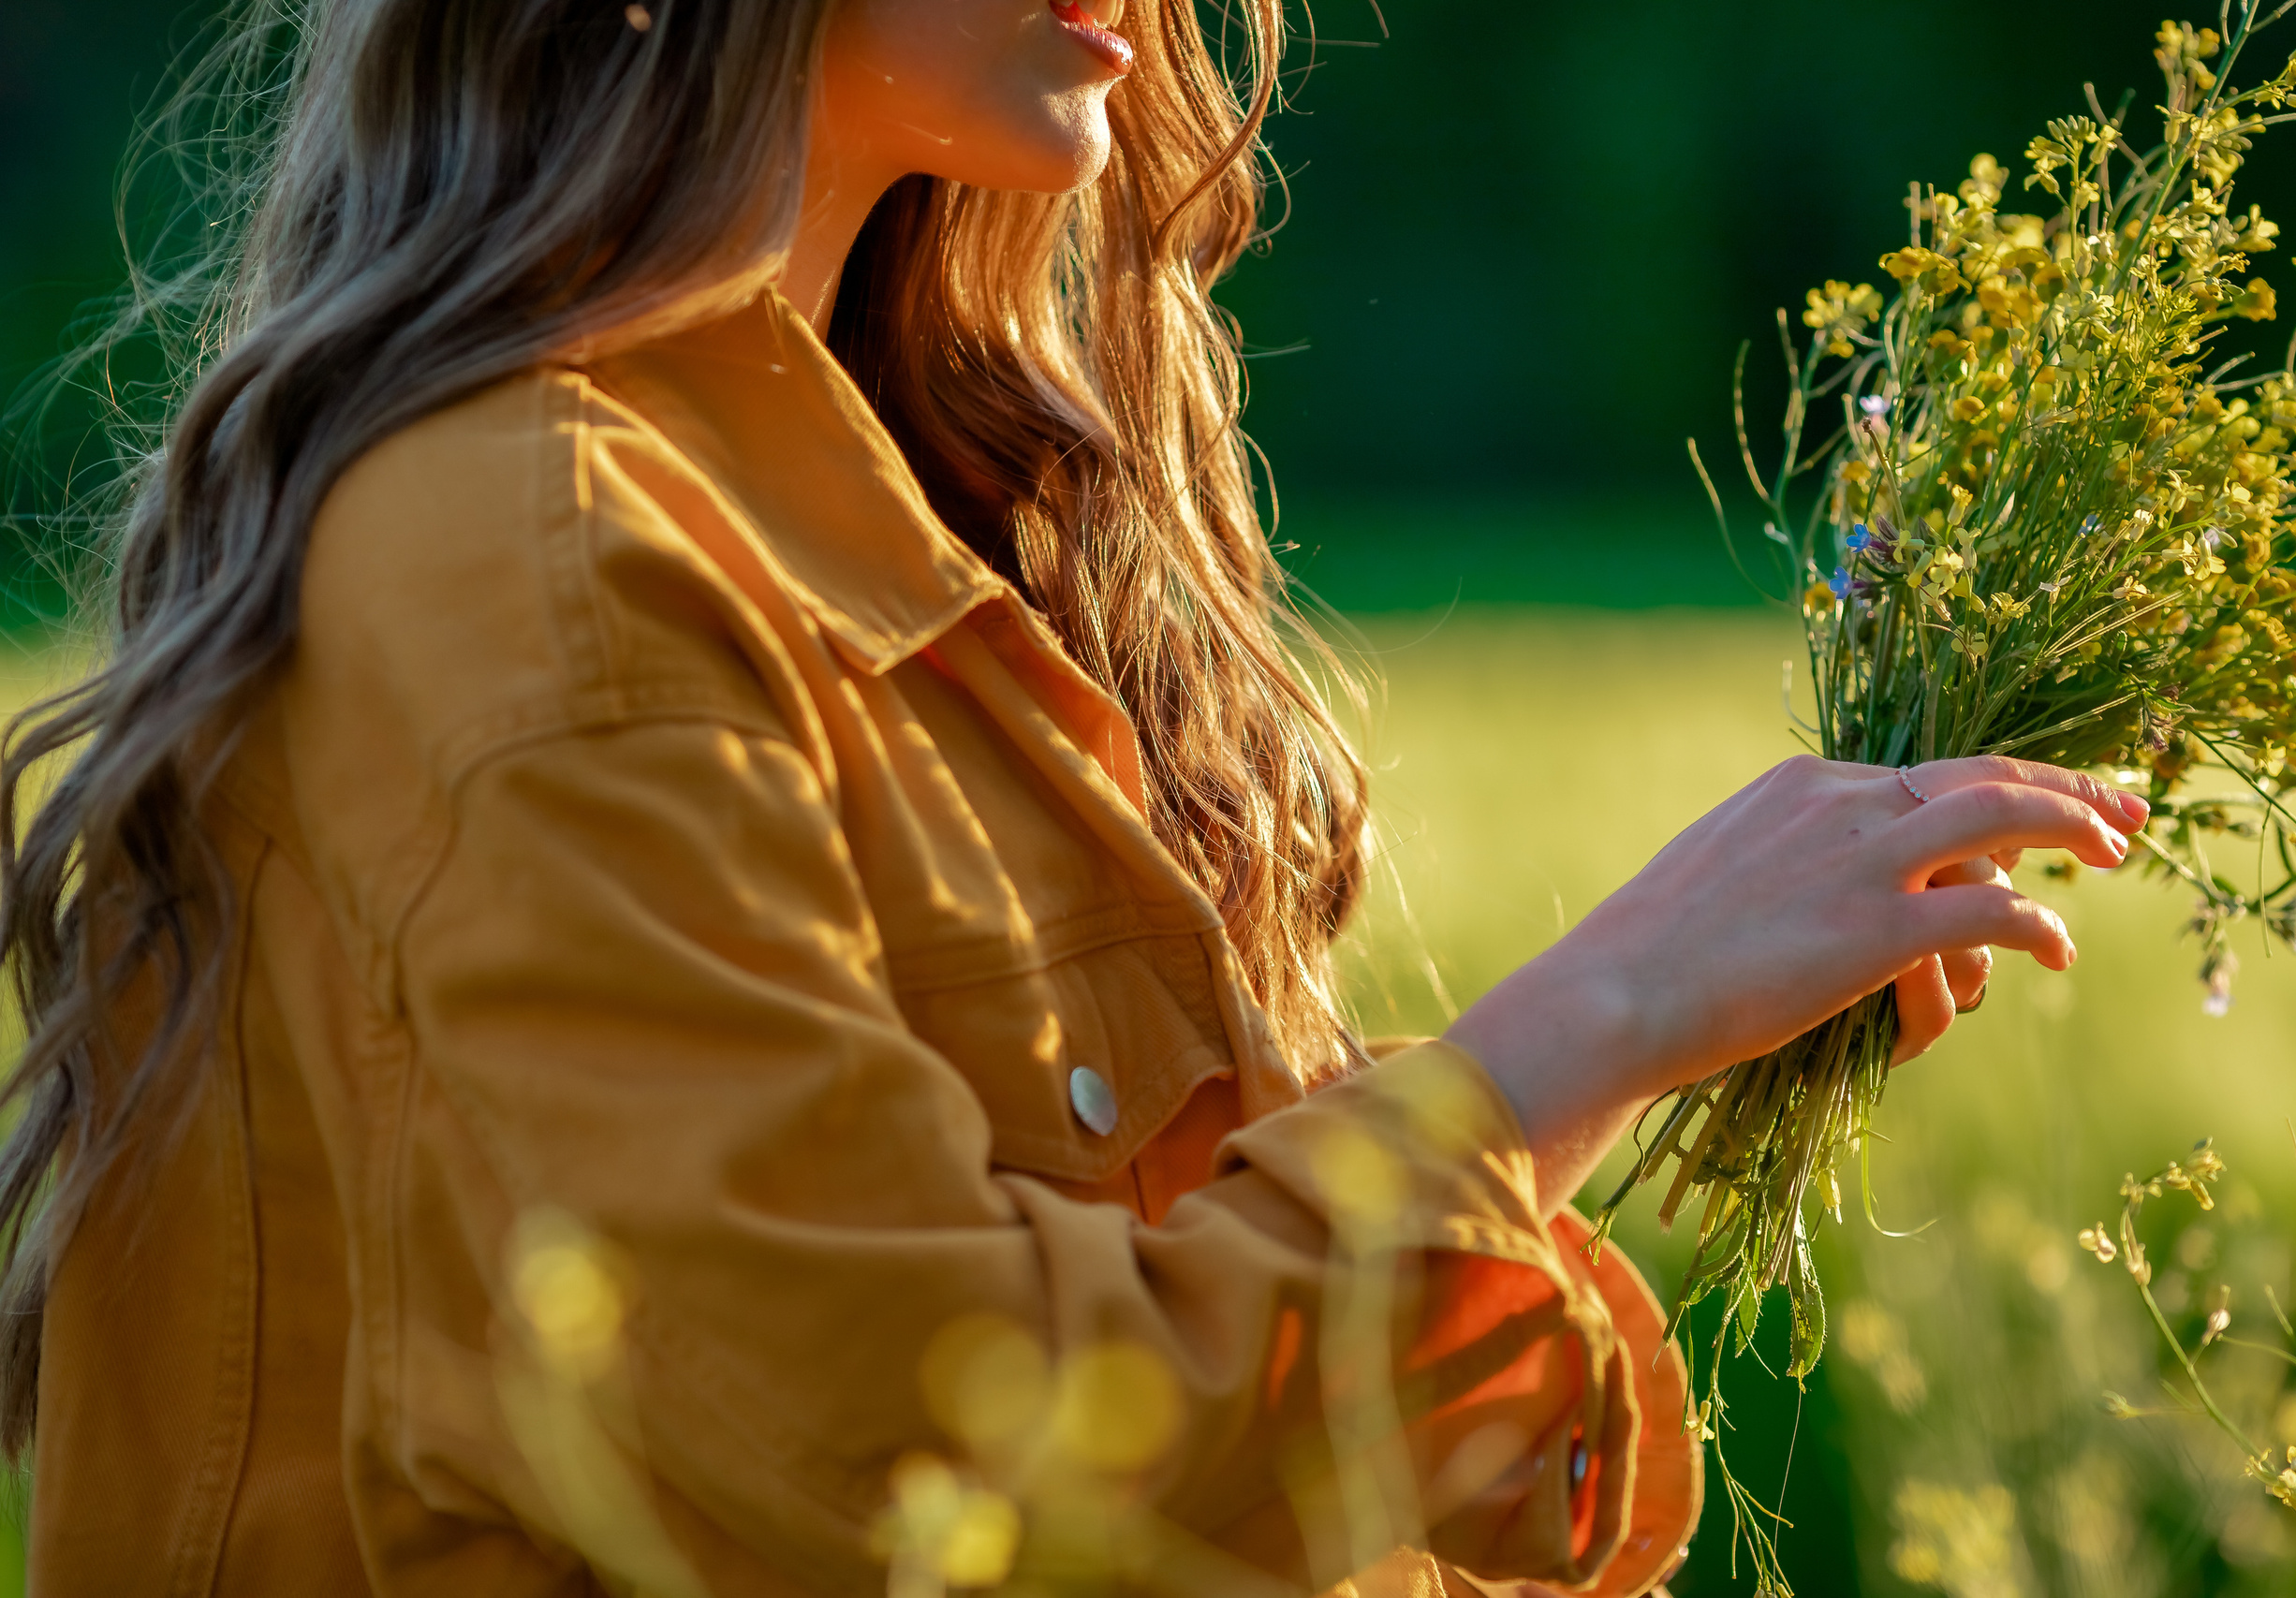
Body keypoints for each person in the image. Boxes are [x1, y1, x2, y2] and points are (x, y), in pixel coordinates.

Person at [0, 0, 2145, 1592]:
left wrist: (1658, 1027)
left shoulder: (845, 505)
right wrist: (1592, 1018)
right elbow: (905, 1443)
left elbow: (1061, 1319)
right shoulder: (541, 563)